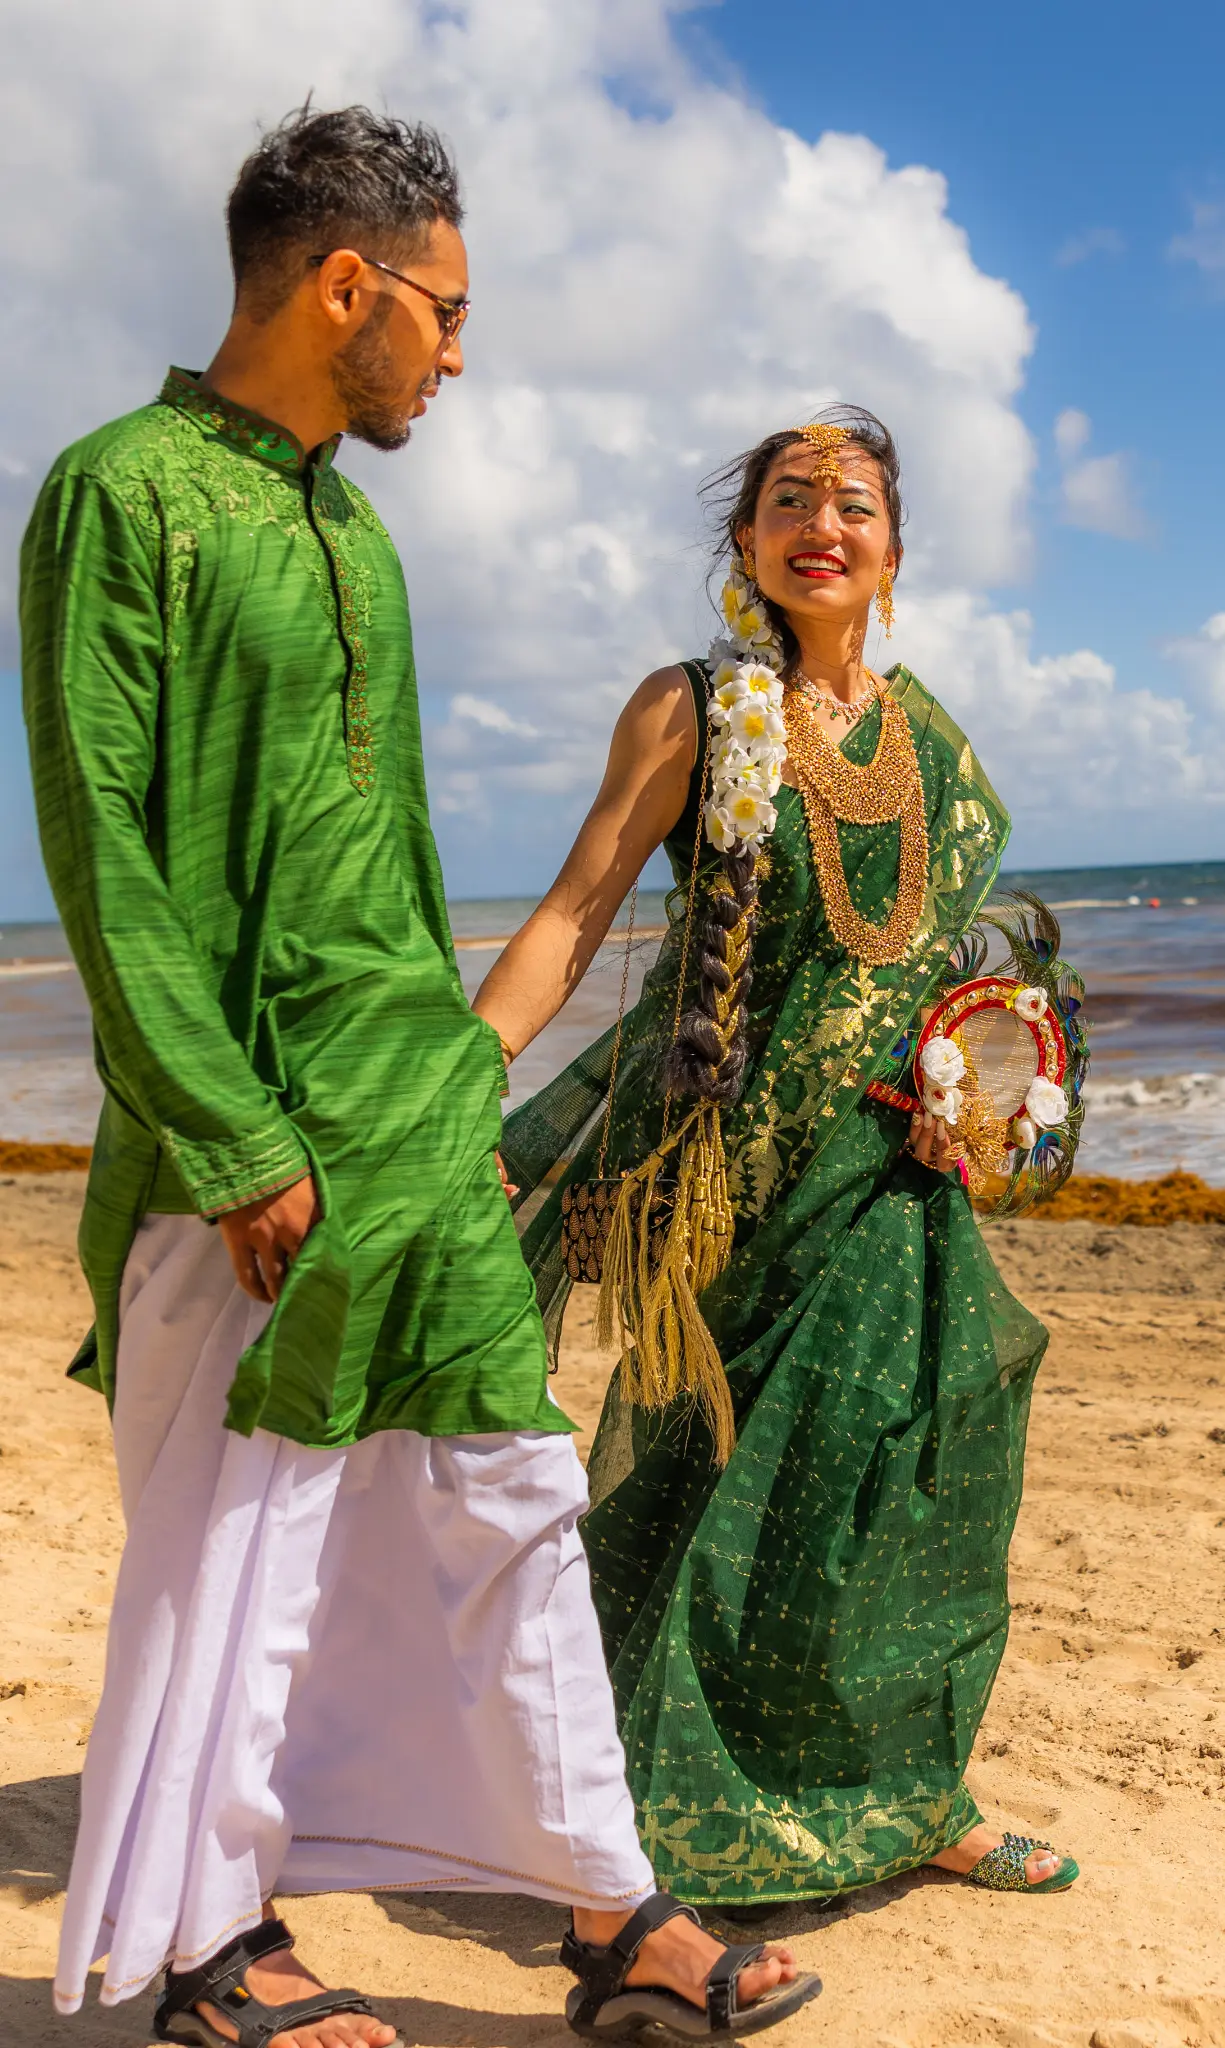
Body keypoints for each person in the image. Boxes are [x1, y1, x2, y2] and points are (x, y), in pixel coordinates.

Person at [21, 106, 819, 2046]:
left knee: (506, 1496)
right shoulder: (119, 495)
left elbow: (381, 861)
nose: (458, 356)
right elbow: (100, 842)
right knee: (247, 1535)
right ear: (344, 285)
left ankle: (609, 1906)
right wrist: (221, 1129)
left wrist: (460, 1077)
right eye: (444, 316)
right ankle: (215, 1946)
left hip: (415, 1119)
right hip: (254, 1140)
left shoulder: (357, 537)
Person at [476, 407, 1081, 1915]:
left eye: (856, 502)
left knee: (915, 1492)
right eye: (789, 501)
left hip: (898, 1179)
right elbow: (572, 912)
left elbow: (943, 961)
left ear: (893, 548)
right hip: (737, 1190)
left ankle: (915, 1794)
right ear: (744, 543)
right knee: (717, 1494)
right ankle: (624, 1823)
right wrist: (459, 1077)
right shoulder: (697, 711)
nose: (824, 522)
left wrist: (986, 1079)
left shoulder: (929, 737)